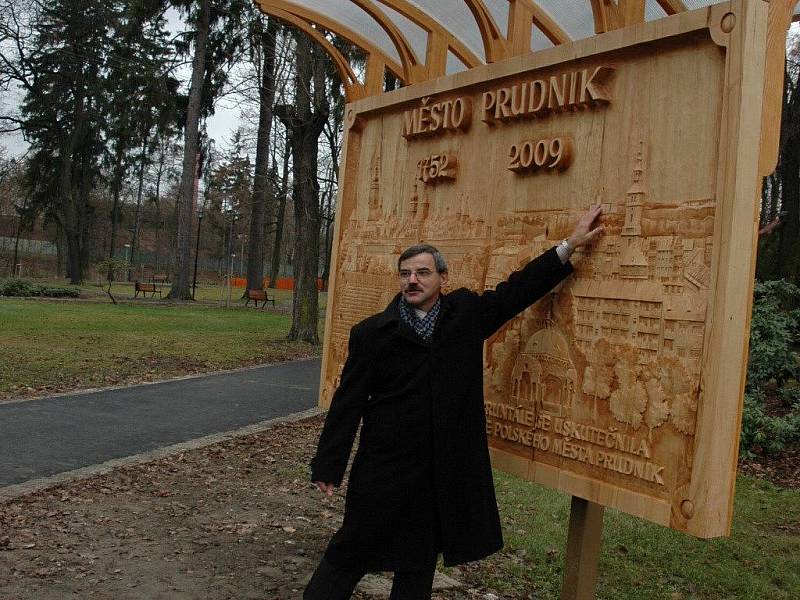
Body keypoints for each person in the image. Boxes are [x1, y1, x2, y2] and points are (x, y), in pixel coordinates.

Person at [304, 206, 604, 599]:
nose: (412, 280)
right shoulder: (372, 335)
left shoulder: (465, 316)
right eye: (406, 273)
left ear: (443, 278)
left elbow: (517, 290)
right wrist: (330, 463)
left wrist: (569, 245)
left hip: (437, 476)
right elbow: (348, 404)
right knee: (348, 556)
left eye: (423, 272)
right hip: (383, 471)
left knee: (416, 568)